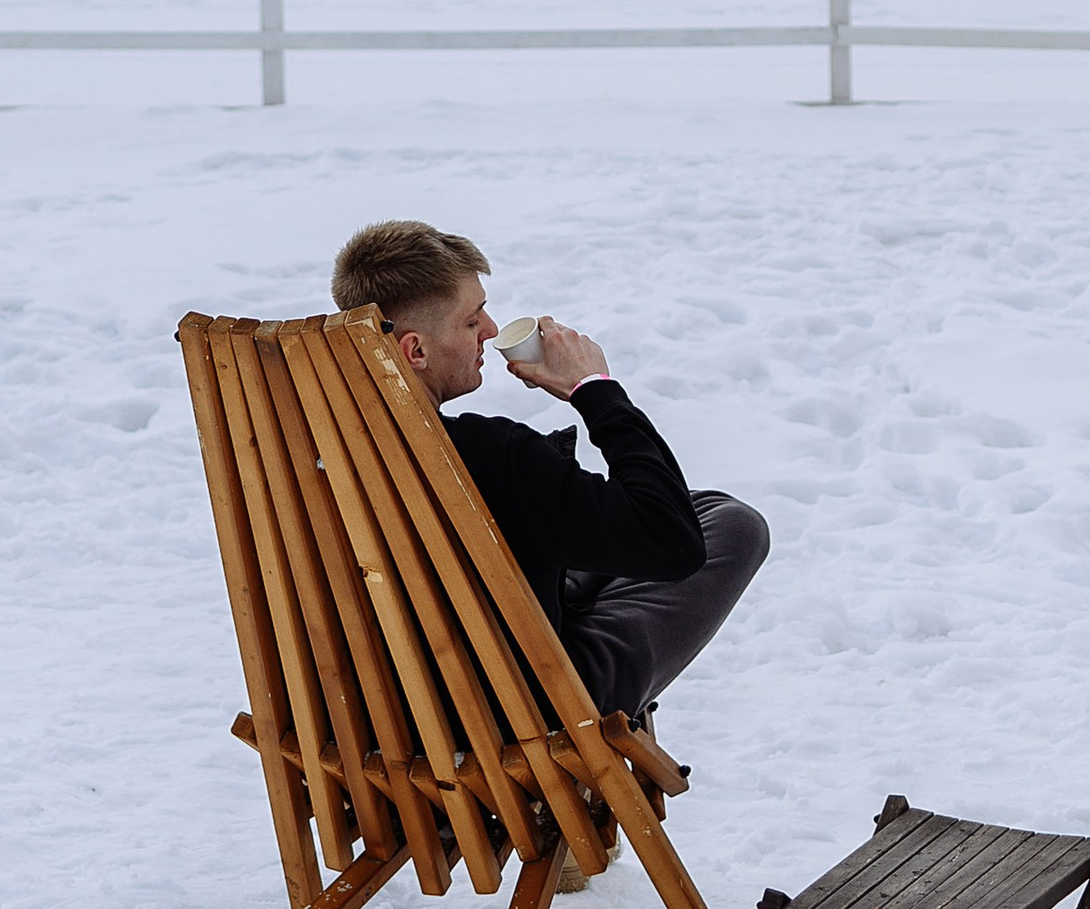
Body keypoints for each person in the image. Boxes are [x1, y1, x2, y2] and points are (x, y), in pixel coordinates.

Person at [329, 218, 767, 731]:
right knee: (732, 524)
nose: (490, 332)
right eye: (472, 321)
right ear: (415, 351)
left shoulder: (312, 453)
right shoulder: (490, 457)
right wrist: (595, 389)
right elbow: (674, 545)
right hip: (519, 712)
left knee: (694, 510)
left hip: (369, 712)